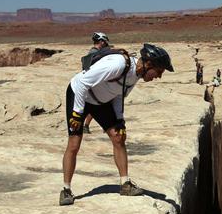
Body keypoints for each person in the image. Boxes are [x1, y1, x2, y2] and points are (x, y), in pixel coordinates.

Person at [60, 43, 174, 205]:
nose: (159, 76)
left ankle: (125, 184)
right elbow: (83, 83)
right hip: (81, 96)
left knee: (119, 137)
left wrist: (119, 119)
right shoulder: (118, 64)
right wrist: (77, 113)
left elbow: (119, 94)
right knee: (74, 143)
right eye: (159, 71)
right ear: (149, 64)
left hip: (101, 102)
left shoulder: (135, 74)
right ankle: (66, 190)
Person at [81, 33, 110, 134]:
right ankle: (103, 126)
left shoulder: (94, 52)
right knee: (99, 105)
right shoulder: (94, 53)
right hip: (95, 84)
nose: (106, 44)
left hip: (94, 83)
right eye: (105, 42)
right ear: (101, 41)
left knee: (98, 105)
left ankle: (89, 126)